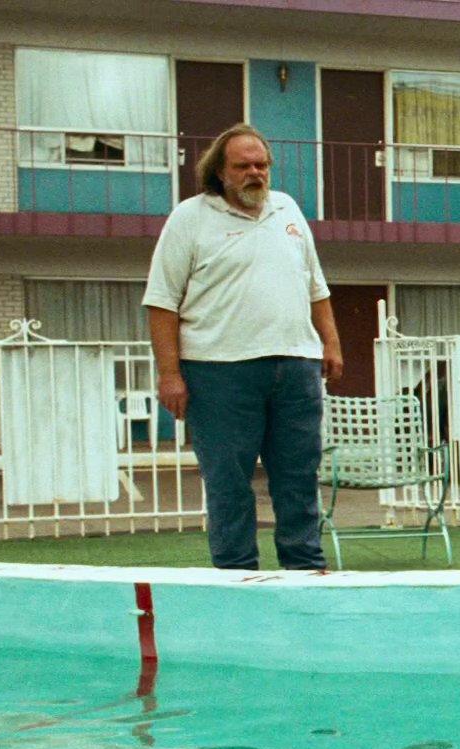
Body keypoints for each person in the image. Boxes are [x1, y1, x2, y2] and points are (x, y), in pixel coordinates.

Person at [143, 124, 343, 571]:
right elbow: (161, 302)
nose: (255, 173)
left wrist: (330, 342)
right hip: (218, 372)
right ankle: (236, 575)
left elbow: (316, 286)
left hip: (296, 367)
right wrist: (169, 373)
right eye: (243, 166)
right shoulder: (190, 218)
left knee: (298, 476)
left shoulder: (288, 209)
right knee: (228, 482)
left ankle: (305, 569)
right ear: (219, 171)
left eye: (261, 165)